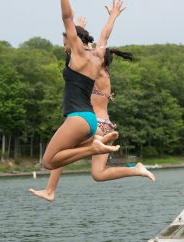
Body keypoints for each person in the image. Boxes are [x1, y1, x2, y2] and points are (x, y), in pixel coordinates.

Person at [29, 17, 155, 203]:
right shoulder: (103, 73)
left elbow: (89, 49)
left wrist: (80, 36)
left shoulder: (95, 71)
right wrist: (83, 32)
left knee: (61, 151)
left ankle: (50, 189)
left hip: (94, 124)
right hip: (104, 125)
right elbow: (100, 39)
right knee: (98, 174)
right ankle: (135, 169)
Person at [41, 0, 125, 171]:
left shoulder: (78, 54)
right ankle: (95, 144)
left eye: (66, 44)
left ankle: (93, 147)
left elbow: (66, 17)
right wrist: (113, 17)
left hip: (78, 118)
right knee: (63, 153)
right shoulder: (98, 56)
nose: (65, 48)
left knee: (48, 162)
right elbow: (105, 35)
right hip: (90, 120)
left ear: (73, 42)